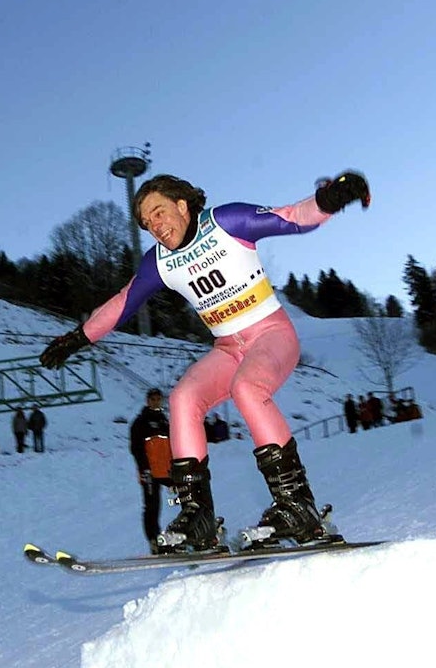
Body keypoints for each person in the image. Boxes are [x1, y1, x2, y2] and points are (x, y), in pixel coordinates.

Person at [40, 169, 371, 551]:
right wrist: (77, 338)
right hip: (228, 349)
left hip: (271, 336)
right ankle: (198, 518)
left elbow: (292, 217)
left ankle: (297, 506)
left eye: (159, 213)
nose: (155, 226)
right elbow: (122, 303)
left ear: (182, 205)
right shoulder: (159, 262)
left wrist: (329, 200)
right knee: (182, 399)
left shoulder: (225, 222)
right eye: (147, 223)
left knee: (247, 388)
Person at [129, 388, 172, 552]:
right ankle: (154, 540)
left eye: (158, 399)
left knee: (187, 495)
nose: (156, 401)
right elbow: (136, 448)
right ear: (147, 401)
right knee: (152, 506)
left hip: (166, 470)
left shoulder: (164, 421)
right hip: (150, 472)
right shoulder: (141, 422)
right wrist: (144, 468)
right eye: (152, 399)